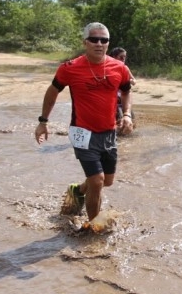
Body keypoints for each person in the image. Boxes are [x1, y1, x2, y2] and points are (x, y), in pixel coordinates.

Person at [34, 22, 133, 223]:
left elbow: (126, 90)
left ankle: (78, 191)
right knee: (97, 181)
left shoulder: (119, 68)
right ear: (85, 42)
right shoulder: (70, 68)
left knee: (107, 181)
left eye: (104, 40)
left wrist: (127, 114)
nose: (99, 44)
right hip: (82, 133)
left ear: (108, 43)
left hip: (109, 132)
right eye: (94, 39)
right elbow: (52, 92)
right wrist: (43, 122)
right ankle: (94, 227)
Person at [109, 47, 136, 134]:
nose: (123, 59)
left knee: (131, 116)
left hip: (124, 94)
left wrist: (130, 81)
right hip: (112, 96)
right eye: (121, 57)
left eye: (124, 57)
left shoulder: (125, 68)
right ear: (114, 57)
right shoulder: (108, 67)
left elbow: (134, 81)